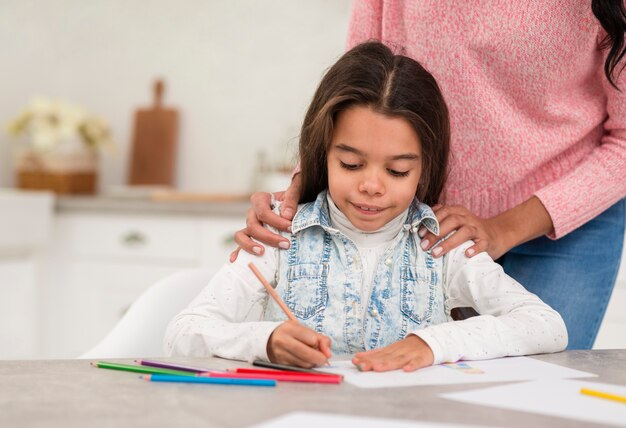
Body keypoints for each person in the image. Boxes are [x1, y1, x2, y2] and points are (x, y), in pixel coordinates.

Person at [233, 1, 626, 350]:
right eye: (352, 165)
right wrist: (304, 184)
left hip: (567, 218)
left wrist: (505, 228)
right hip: (428, 220)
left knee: (540, 389)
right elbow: (359, 88)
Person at [165, 42, 567, 371]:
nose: (371, 186)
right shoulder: (279, 237)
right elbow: (182, 333)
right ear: (321, 154)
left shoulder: (442, 246)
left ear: (424, 170)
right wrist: (264, 341)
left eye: (396, 171)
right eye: (351, 164)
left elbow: (547, 327)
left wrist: (433, 344)